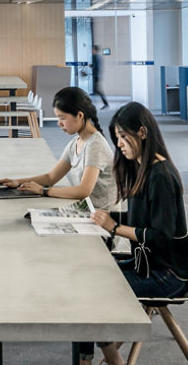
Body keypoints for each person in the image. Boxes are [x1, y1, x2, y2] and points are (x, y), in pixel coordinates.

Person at [81, 102, 188, 365]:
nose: (119, 144)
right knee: (88, 277)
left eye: (123, 137)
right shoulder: (144, 167)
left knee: (92, 292)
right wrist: (103, 220)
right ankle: (95, 356)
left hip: (168, 274)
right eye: (116, 138)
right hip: (148, 264)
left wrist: (115, 228)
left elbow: (160, 235)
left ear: (142, 132)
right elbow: (141, 220)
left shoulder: (161, 176)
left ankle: (110, 359)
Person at [0, 86, 116, 211]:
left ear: (80, 115)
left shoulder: (95, 145)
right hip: (87, 210)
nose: (59, 123)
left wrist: (43, 190)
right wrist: (17, 182)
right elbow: (50, 177)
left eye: (62, 118)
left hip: (102, 218)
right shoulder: (76, 143)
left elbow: (83, 191)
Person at [91, 45, 109, 110]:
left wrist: (91, 66)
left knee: (97, 90)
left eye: (92, 49)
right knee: (97, 90)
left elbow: (95, 66)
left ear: (95, 50)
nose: (91, 51)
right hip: (97, 75)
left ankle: (106, 103)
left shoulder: (95, 56)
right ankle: (106, 103)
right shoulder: (99, 56)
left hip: (96, 75)